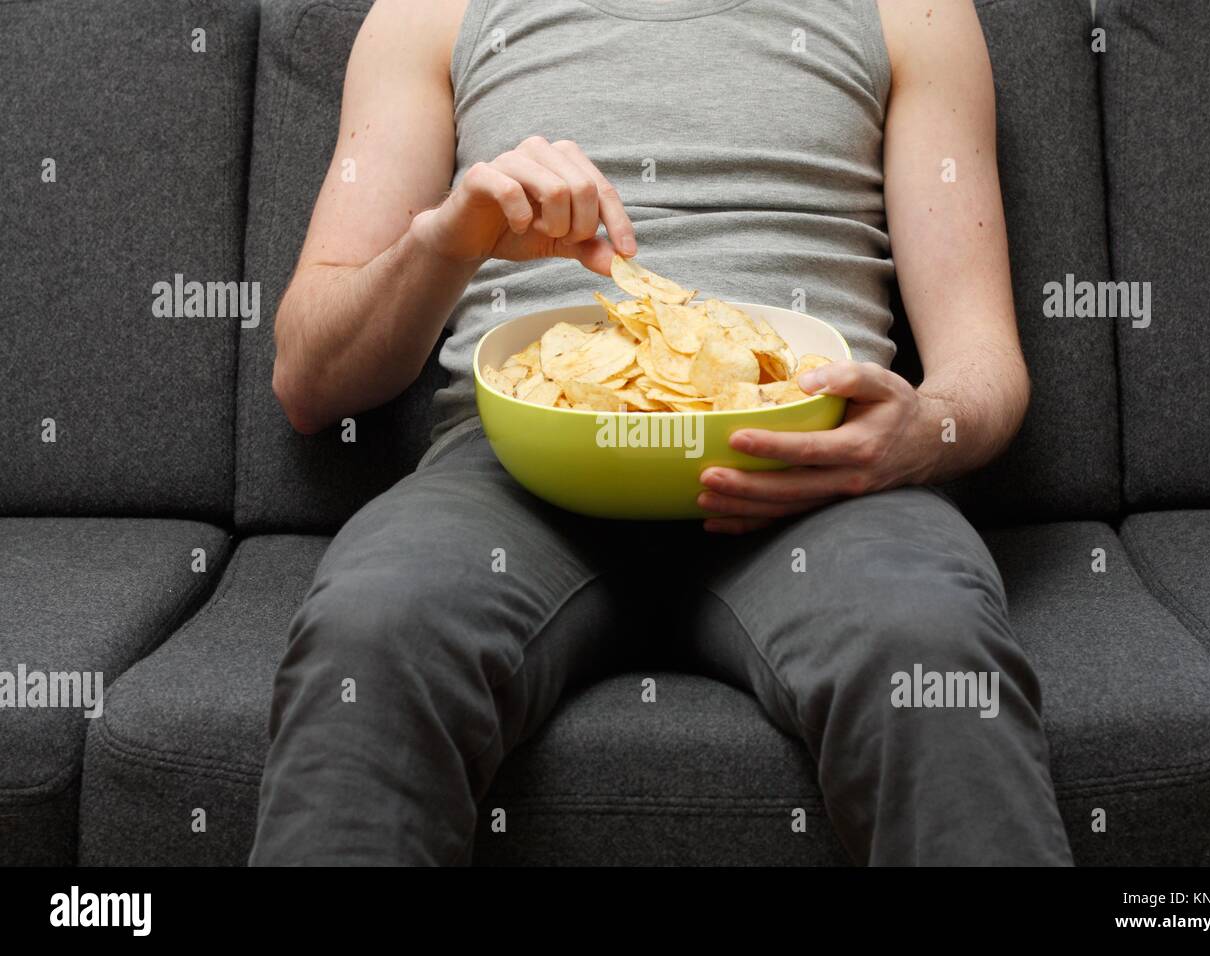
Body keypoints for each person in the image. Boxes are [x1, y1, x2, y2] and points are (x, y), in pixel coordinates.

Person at [250, 0, 1073, 865]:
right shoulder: (429, 12)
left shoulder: (915, 11)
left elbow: (984, 363)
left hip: (815, 482)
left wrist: (924, 430)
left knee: (928, 644)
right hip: (515, 480)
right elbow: (310, 382)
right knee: (374, 629)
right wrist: (446, 242)